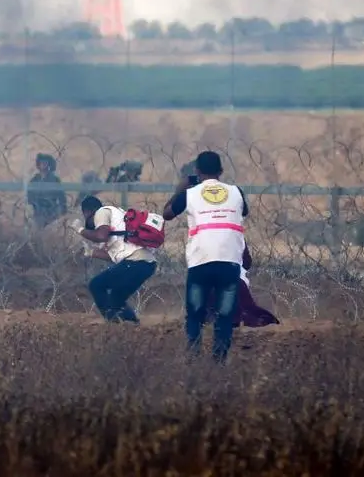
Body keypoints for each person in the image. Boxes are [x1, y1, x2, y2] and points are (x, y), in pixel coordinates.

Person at [163, 150, 249, 363]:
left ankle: (193, 359)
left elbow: (166, 214)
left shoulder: (190, 194)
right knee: (225, 315)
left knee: (194, 313)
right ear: (221, 171)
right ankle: (218, 362)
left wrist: (180, 189)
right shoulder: (236, 192)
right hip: (229, 261)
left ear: (197, 171)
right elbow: (243, 212)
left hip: (200, 261)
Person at [72, 195, 158, 324]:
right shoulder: (117, 220)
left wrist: (80, 230)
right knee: (116, 297)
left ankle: (112, 324)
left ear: (87, 212)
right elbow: (116, 256)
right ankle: (133, 325)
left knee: (96, 285)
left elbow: (101, 236)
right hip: (146, 264)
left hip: (135, 262)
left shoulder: (101, 212)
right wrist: (91, 252)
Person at [28, 153, 67, 228]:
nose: (43, 164)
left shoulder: (55, 180)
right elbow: (30, 195)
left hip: (52, 212)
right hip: (38, 212)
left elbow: (62, 197)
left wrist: (62, 212)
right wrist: (34, 204)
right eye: (41, 162)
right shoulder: (34, 180)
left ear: (49, 164)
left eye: (45, 162)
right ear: (38, 164)